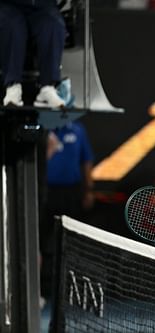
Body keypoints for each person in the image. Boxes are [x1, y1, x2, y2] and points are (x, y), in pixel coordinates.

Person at [41, 120, 94, 300]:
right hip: (46, 193)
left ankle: (69, 290)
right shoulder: (44, 129)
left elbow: (86, 161)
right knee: (42, 242)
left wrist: (88, 190)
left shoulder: (78, 130)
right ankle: (43, 291)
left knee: (70, 242)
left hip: (71, 194)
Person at [0, 0, 66, 107]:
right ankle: (12, 87)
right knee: (13, 26)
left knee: (53, 25)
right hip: (9, 5)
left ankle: (47, 88)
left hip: (42, 6)